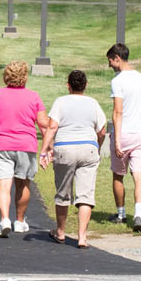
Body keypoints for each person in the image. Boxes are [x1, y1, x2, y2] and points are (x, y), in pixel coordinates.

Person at [39, 70, 107, 248]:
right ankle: (82, 237)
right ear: (85, 85)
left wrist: (44, 150)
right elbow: (101, 130)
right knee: (85, 194)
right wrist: (97, 146)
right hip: (88, 148)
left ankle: (60, 231)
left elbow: (52, 127)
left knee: (63, 191)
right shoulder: (93, 103)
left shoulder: (61, 102)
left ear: (68, 85)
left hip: (65, 148)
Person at [0, 61, 48, 237]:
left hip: (1, 144)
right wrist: (48, 148)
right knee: (23, 183)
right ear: (25, 77)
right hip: (26, 145)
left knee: (3, 183)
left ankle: (4, 219)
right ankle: (19, 220)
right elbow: (43, 124)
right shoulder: (34, 97)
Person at [106, 43, 141, 232]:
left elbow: (118, 112)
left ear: (117, 58)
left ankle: (121, 214)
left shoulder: (118, 81)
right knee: (139, 176)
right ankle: (138, 215)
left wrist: (117, 140)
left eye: (110, 61)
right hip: (140, 135)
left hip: (124, 134)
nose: (110, 65)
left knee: (118, 175)